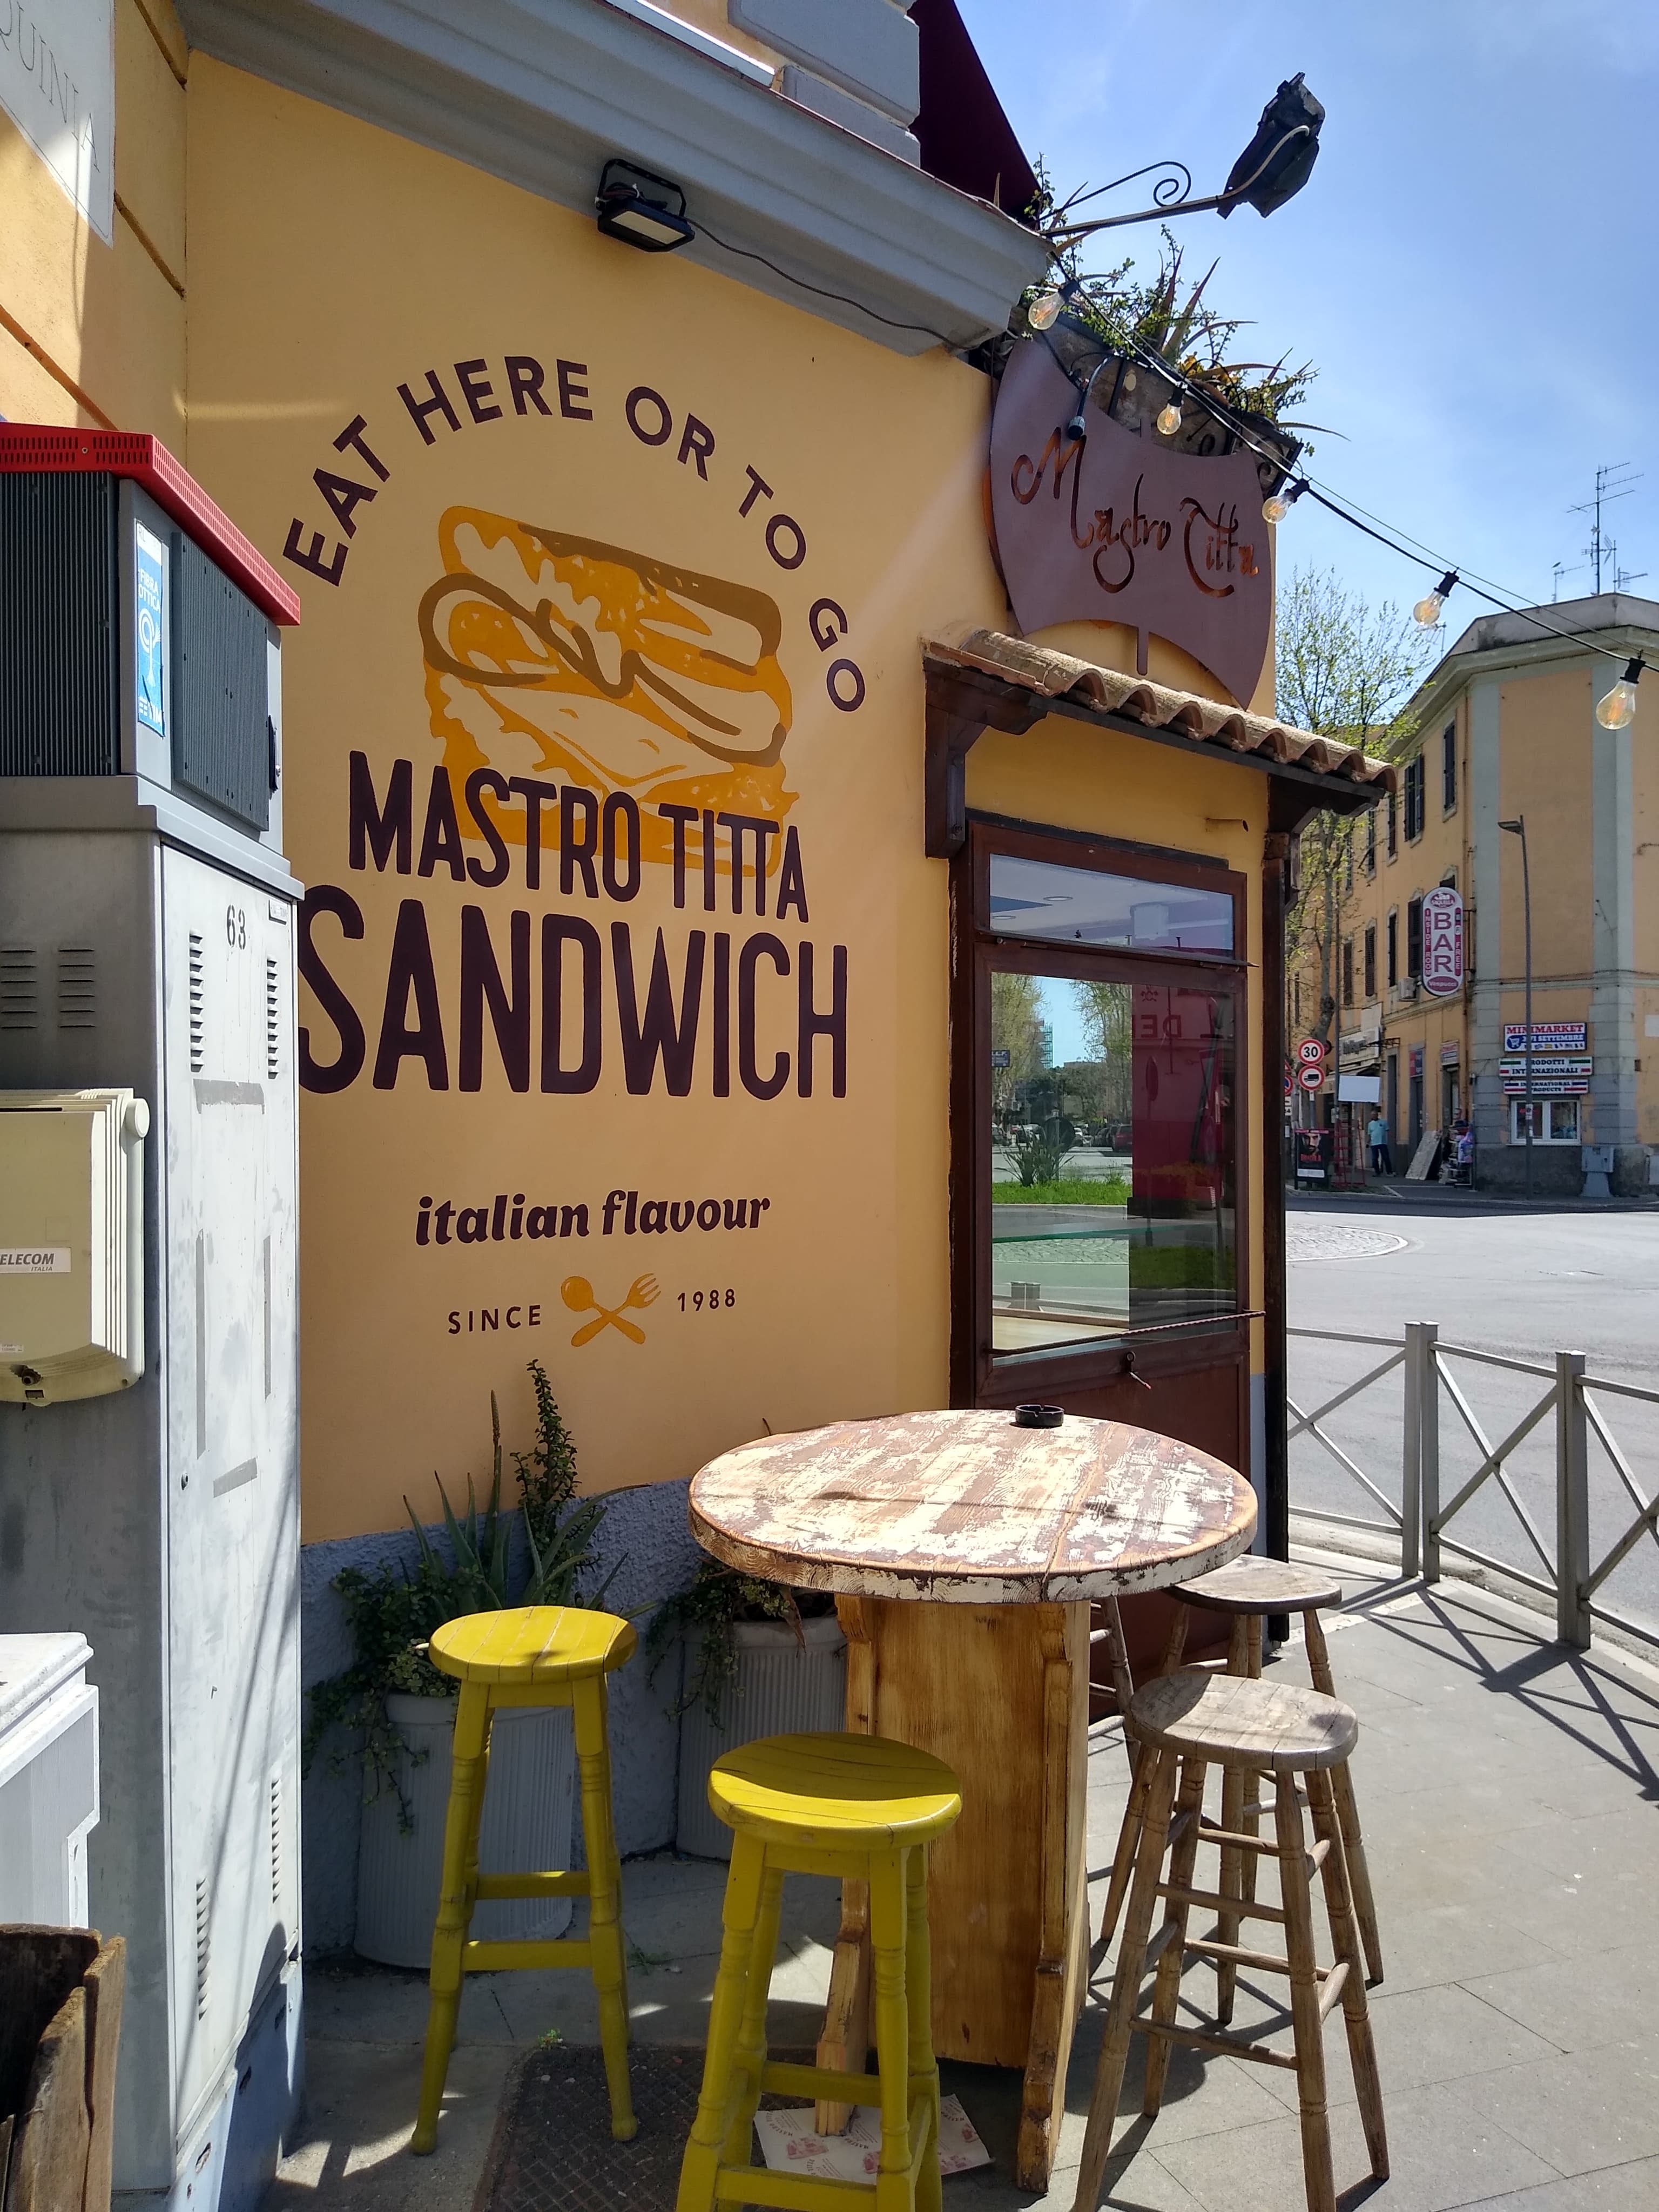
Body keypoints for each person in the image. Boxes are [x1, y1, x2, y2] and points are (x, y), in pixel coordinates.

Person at [1366, 1110, 1392, 1177]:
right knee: (1374, 1159)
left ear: (1377, 1115)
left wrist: (1392, 1139)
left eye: (1375, 1115)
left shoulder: (1383, 1122)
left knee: (1386, 1158)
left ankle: (1389, 1172)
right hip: (1374, 1143)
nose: (1374, 1116)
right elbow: (1369, 1134)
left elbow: (1388, 1131)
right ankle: (1377, 1172)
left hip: (1382, 1142)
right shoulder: (1370, 1124)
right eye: (1373, 1115)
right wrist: (1368, 1142)